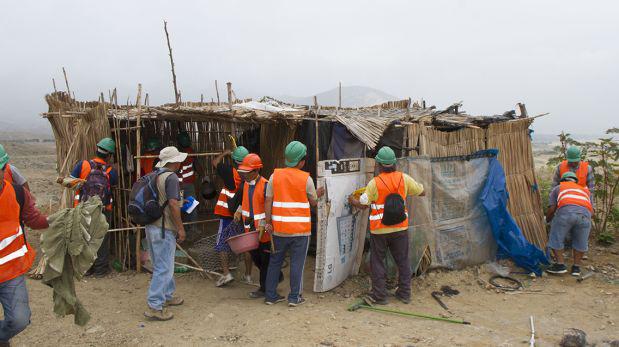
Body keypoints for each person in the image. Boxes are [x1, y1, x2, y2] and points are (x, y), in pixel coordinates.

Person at [349, 146, 425, 305]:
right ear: (394, 164)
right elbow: (421, 191)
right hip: (400, 229)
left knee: (377, 261)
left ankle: (379, 295)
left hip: (380, 230)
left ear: (379, 165)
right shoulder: (404, 179)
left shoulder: (374, 183)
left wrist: (352, 200)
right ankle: (404, 293)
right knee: (403, 261)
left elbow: (363, 204)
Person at [264, 141, 324, 307]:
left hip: (279, 229)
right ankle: (294, 298)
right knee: (298, 264)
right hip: (300, 231)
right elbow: (313, 202)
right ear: (302, 161)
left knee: (275, 262)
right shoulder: (307, 179)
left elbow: (268, 200)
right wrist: (318, 194)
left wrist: (268, 222)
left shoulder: (274, 176)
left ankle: (270, 296)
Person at [0, 151, 49, 345]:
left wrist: (58, 220)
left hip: (11, 271)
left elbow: (34, 220)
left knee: (20, 320)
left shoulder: (18, 194)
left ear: (5, 170)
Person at [143, 146, 187, 321]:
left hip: (151, 225)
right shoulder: (171, 178)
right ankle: (155, 305)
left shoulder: (154, 175)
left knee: (161, 264)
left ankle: (167, 295)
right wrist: (181, 228)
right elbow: (174, 204)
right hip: (164, 227)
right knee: (164, 267)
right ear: (174, 162)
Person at [66, 137, 118, 277]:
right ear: (109, 155)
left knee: (85, 238)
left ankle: (86, 269)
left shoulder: (83, 165)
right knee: (101, 239)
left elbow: (70, 182)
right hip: (103, 209)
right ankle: (100, 271)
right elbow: (113, 185)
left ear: (96, 150)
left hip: (84, 208)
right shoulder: (111, 171)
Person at [234, 153, 281, 299]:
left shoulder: (266, 185)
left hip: (264, 231)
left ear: (256, 171)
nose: (244, 175)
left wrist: (266, 223)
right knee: (257, 258)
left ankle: (264, 288)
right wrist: (239, 210)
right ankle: (276, 276)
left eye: (246, 173)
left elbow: (271, 206)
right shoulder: (246, 184)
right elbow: (246, 201)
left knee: (265, 260)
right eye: (243, 172)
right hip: (250, 229)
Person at [211, 146, 250, 287]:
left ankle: (226, 274)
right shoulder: (251, 174)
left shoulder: (229, 172)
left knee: (222, 243)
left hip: (227, 214)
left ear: (233, 160)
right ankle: (248, 275)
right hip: (242, 214)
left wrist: (224, 153)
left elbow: (215, 163)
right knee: (246, 244)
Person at [545, 172, 593, 276]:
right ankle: (576, 268)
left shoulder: (559, 188)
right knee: (581, 242)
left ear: (563, 180)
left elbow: (552, 208)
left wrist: (547, 220)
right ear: (575, 181)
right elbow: (590, 209)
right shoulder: (585, 191)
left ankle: (560, 265)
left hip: (566, 213)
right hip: (585, 216)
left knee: (556, 237)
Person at [175, 131, 202, 242]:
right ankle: (193, 229)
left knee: (180, 207)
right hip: (188, 185)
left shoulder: (177, 154)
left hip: (179, 186)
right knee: (192, 206)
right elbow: (198, 166)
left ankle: (182, 229)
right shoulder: (191, 152)